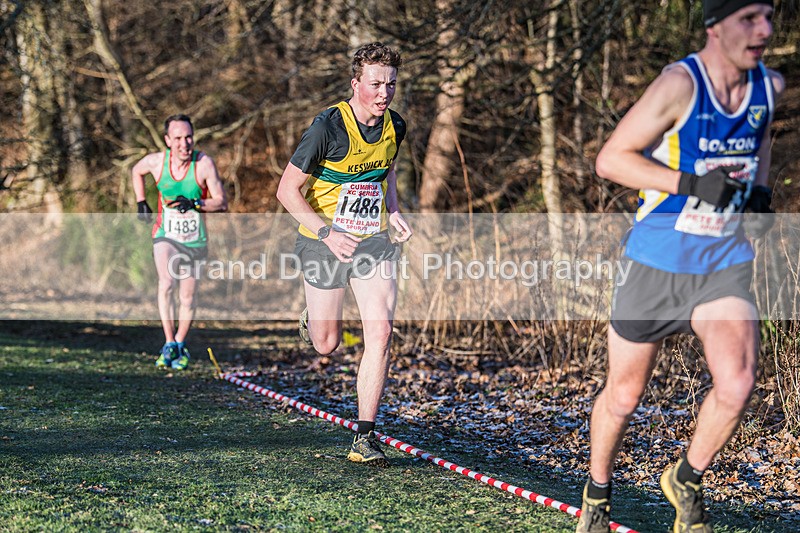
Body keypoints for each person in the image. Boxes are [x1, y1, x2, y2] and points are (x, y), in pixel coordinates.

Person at [577, 1, 782, 531]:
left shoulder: (769, 86)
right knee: (624, 396)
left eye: (769, 15)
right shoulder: (680, 85)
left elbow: (759, 140)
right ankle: (598, 493)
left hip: (722, 262)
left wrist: (760, 193)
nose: (764, 29)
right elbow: (610, 160)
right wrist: (690, 184)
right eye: (749, 17)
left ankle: (686, 478)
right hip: (656, 262)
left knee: (737, 382)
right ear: (715, 26)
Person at [276, 42, 412, 466]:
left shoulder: (396, 126)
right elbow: (286, 190)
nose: (384, 93)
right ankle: (313, 317)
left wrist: (394, 210)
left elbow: (387, 170)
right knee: (326, 343)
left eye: (391, 84)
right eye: (375, 84)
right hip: (323, 242)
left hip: (373, 241)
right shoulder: (327, 128)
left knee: (382, 332)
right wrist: (327, 233)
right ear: (356, 83)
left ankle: (365, 437)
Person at [131, 114, 228, 370]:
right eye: (178, 138)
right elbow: (136, 171)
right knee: (166, 282)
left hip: (195, 239)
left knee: (188, 295)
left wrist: (196, 203)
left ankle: (180, 343)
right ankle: (168, 342)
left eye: (188, 137)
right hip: (166, 234)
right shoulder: (156, 162)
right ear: (167, 140)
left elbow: (221, 202)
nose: (184, 144)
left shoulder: (204, 164)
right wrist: (141, 201)